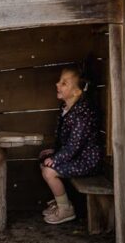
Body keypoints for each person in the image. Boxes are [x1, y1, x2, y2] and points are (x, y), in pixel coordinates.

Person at [38, 65, 103, 225]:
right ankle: (60, 200)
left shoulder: (81, 114)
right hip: (76, 156)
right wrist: (55, 152)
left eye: (64, 83)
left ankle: (65, 209)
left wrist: (57, 158)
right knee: (44, 159)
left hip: (87, 161)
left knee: (49, 172)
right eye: (60, 81)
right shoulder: (66, 108)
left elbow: (74, 145)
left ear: (77, 92)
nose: (57, 84)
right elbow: (64, 138)